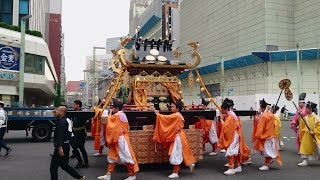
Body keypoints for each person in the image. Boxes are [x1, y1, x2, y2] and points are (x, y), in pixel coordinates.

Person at [153, 99, 196, 179]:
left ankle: (176, 172)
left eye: (173, 106)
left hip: (177, 137)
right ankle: (190, 163)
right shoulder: (178, 115)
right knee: (182, 151)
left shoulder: (176, 115)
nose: (171, 108)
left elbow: (166, 118)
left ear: (178, 108)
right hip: (180, 135)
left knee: (175, 153)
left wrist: (158, 114)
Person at [98, 99, 138, 180]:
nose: (111, 109)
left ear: (116, 108)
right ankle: (108, 175)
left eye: (112, 107)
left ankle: (132, 175)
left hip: (121, 139)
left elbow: (110, 121)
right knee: (112, 156)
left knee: (127, 156)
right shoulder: (119, 114)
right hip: (117, 138)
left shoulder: (119, 115)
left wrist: (107, 113)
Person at [50, 106, 85, 180]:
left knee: (53, 166)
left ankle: (79, 177)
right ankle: (79, 177)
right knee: (64, 165)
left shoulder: (62, 122)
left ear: (62, 112)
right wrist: (55, 114)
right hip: (66, 145)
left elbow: (61, 136)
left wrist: (60, 148)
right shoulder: (67, 120)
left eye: (58, 110)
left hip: (61, 146)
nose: (56, 111)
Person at [218, 98, 250, 175]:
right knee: (235, 152)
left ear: (226, 109)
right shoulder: (231, 115)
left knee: (230, 151)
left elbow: (226, 128)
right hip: (235, 135)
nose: (221, 110)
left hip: (233, 136)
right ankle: (238, 167)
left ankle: (231, 168)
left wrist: (221, 121)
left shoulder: (230, 117)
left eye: (222, 109)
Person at [255, 99, 282, 171]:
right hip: (268, 135)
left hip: (267, 136)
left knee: (267, 151)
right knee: (265, 150)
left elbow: (262, 123)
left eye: (260, 107)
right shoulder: (268, 114)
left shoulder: (266, 115)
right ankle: (268, 161)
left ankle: (266, 164)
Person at [297, 101, 320, 166]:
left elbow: (319, 126)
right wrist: (300, 116)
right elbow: (301, 124)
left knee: (317, 148)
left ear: (311, 109)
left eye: (307, 108)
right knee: (304, 146)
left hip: (314, 135)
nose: (306, 109)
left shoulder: (316, 118)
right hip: (307, 135)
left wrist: (314, 131)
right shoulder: (306, 117)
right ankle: (304, 161)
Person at [70, 100, 89, 169]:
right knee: (75, 147)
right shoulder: (74, 112)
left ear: (78, 105)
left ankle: (85, 162)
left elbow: (85, 120)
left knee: (81, 148)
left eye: (74, 104)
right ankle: (80, 161)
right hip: (75, 132)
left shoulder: (82, 113)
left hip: (80, 132)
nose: (73, 106)